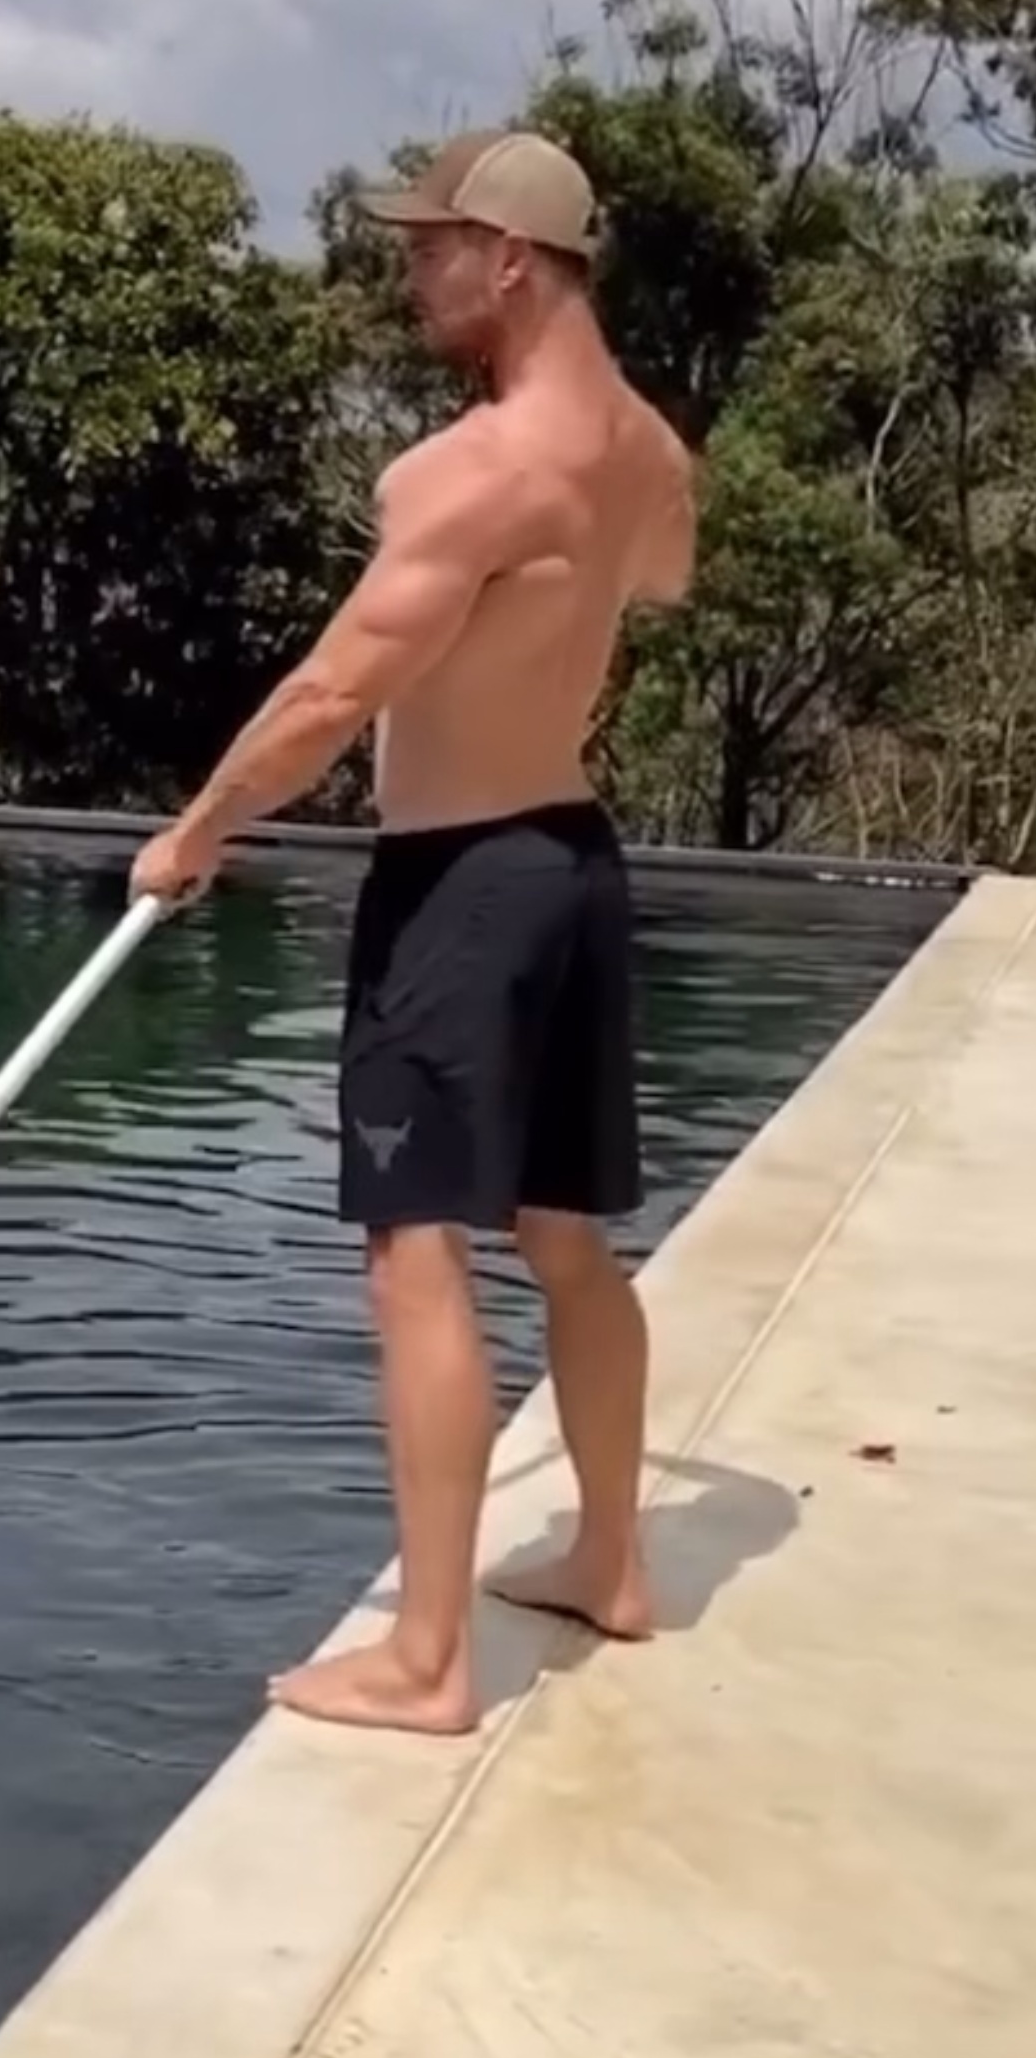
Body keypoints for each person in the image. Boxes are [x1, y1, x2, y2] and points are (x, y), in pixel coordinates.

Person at [130, 128, 696, 1734]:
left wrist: (197, 830)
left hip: (460, 885)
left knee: (412, 1252)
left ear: (510, 260)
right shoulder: (641, 448)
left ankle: (429, 1660)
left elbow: (331, 690)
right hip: (572, 862)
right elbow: (658, 577)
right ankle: (610, 1561)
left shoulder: (468, 473)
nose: (410, 275)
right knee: (563, 1237)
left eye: (430, 248)